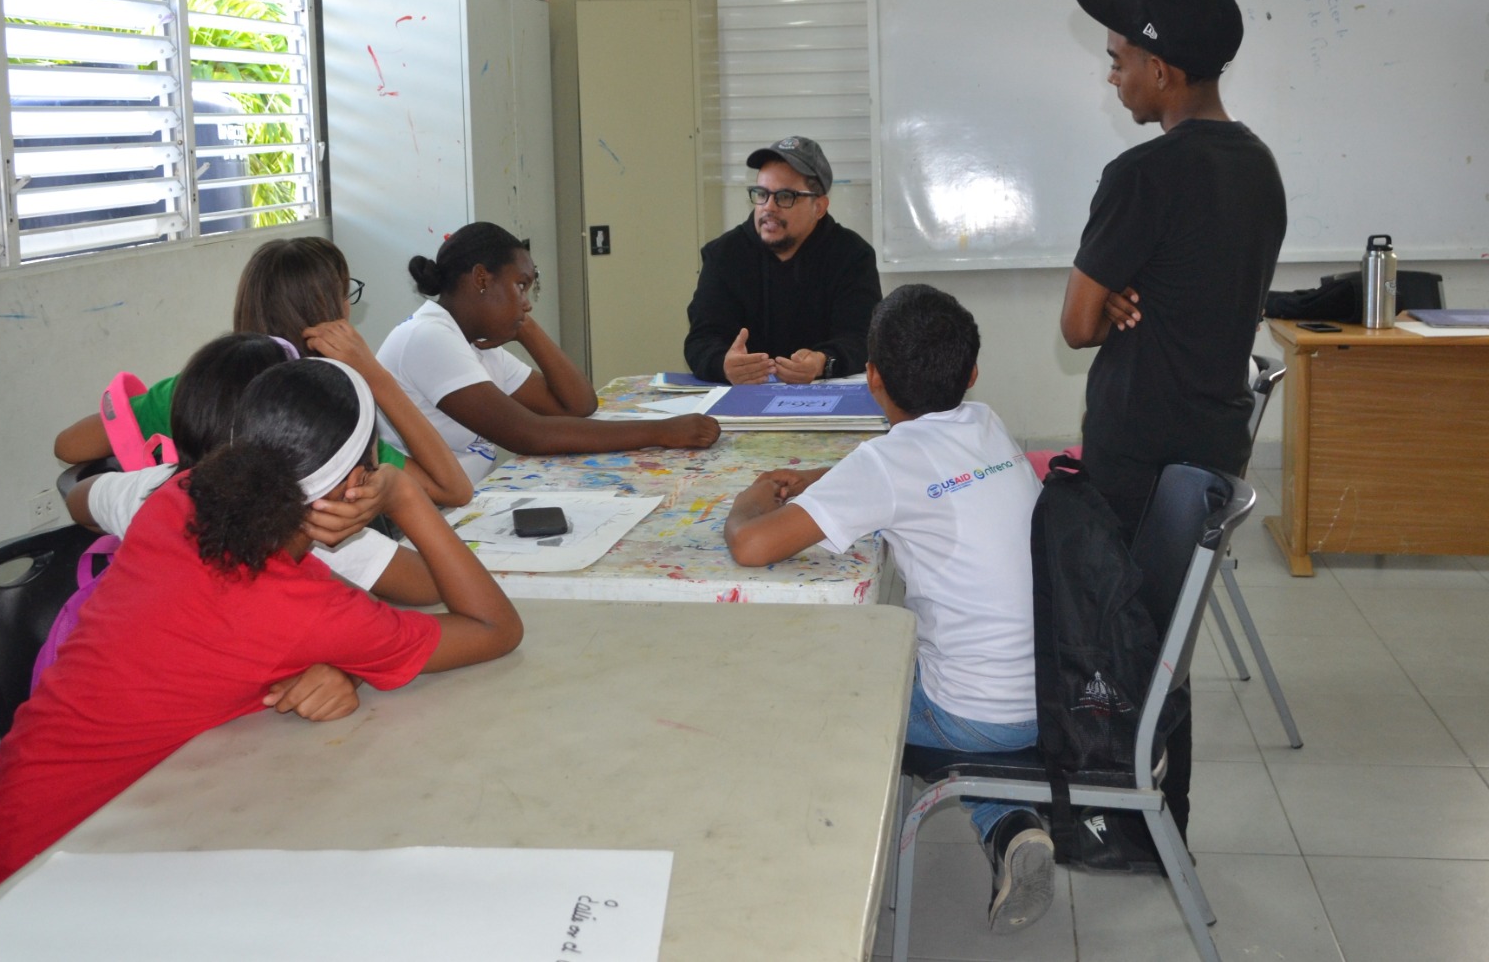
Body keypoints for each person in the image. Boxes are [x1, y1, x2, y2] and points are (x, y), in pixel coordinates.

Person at [0, 359, 522, 899]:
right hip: (42, 886)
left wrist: (343, 664)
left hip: (11, 837)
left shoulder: (179, 501)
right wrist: (404, 496)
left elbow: (230, 639)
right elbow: (496, 626)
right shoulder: (303, 610)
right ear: (356, 483)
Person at [722, 284, 1050, 933]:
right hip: (1050, 696)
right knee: (928, 664)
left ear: (872, 377)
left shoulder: (888, 461)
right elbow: (905, 480)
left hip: (971, 717)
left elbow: (752, 546)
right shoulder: (985, 422)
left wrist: (753, 497)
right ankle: (1010, 825)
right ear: (972, 373)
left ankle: (814, 869)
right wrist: (824, 483)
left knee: (832, 685)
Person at [1060, 0, 1287, 839]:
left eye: (1119, 59)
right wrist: (1130, 289)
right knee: (1166, 641)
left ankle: (1118, 816)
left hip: (1137, 452)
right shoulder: (1258, 166)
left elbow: (1078, 324)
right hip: (1209, 447)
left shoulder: (1142, 174)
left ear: (1162, 70)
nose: (1112, 75)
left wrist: (1114, 295)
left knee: (1115, 630)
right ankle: (1162, 816)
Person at [41, 333, 445, 685]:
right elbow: (434, 586)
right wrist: (398, 496)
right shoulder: (312, 527)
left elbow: (79, 497)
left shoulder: (162, 491)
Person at [54, 237, 474, 507]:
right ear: (329, 315)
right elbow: (452, 489)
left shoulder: (194, 389)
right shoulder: (324, 412)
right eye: (346, 293)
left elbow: (69, 446)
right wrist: (376, 377)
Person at [375, 222, 720, 483]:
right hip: (423, 517)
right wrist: (661, 432)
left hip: (461, 505)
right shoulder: (428, 337)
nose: (527, 303)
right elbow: (528, 434)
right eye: (520, 286)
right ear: (481, 279)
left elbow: (577, 405)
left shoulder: (473, 342)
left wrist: (525, 328)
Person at [683, 136, 882, 385]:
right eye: (761, 194)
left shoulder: (852, 256)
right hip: (743, 398)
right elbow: (701, 339)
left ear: (819, 207)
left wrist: (823, 362)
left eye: (785, 196)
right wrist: (722, 364)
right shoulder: (724, 255)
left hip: (824, 397)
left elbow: (861, 338)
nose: (769, 207)